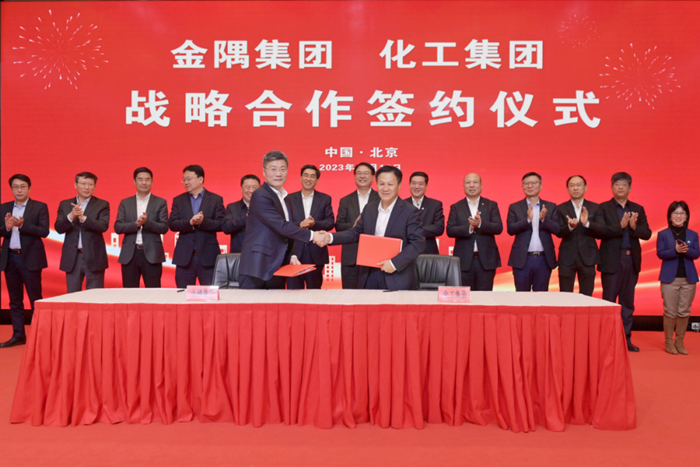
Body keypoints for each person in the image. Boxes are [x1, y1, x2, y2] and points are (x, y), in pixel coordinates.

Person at [318, 166, 425, 291]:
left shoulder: (410, 211)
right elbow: (355, 233)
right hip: (369, 274)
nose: (385, 188)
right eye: (381, 184)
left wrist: (394, 263)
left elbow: (418, 243)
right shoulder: (369, 208)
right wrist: (329, 237)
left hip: (396, 274)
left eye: (390, 184)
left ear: (399, 185)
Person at [238, 151, 326, 289]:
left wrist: (292, 255)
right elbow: (281, 226)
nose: (278, 174)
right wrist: (313, 235)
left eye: (282, 169)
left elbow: (286, 229)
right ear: (264, 171)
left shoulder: (283, 197)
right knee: (252, 303)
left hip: (277, 265)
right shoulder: (261, 195)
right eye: (273, 169)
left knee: (276, 303)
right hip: (257, 266)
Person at [599, 172, 652, 352]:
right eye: (617, 184)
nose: (620, 187)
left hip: (631, 260)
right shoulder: (603, 208)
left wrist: (634, 227)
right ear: (611, 187)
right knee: (609, 301)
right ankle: (606, 340)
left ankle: (625, 339)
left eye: (624, 184)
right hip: (612, 260)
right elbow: (600, 232)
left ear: (630, 188)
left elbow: (647, 233)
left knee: (628, 302)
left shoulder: (638, 208)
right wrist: (620, 226)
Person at [0, 175, 49, 348]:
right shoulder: (4, 207)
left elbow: (44, 231)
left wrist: (22, 225)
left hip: (30, 259)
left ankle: (40, 337)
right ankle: (18, 335)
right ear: (11, 189)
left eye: (22, 186)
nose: (19, 190)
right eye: (15, 187)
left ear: (29, 188)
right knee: (15, 300)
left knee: (35, 299)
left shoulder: (39, 207)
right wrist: (6, 228)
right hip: (10, 258)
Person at [168, 165, 225, 287]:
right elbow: (172, 224)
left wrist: (203, 222)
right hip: (184, 258)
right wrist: (190, 223)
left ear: (200, 179)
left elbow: (222, 224)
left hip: (208, 257)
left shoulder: (215, 199)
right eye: (184, 179)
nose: (186, 182)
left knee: (210, 294)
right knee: (182, 294)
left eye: (189, 179)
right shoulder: (178, 200)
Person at [114, 167, 169, 288]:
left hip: (152, 254)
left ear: (152, 181)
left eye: (147, 179)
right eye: (140, 179)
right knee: (129, 293)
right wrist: (136, 224)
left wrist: (147, 222)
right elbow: (118, 227)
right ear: (134, 182)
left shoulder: (160, 202)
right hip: (130, 254)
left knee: (154, 292)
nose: (144, 182)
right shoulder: (125, 203)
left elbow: (164, 227)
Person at [55, 172, 110, 293]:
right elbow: (58, 228)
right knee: (73, 296)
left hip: (94, 257)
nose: (86, 187)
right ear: (75, 185)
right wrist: (71, 216)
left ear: (95, 186)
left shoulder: (102, 204)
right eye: (83, 184)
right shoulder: (65, 204)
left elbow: (103, 226)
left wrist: (83, 218)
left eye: (90, 184)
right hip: (73, 258)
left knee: (95, 297)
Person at [446, 173, 503, 290]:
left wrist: (481, 224)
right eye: (468, 182)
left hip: (486, 261)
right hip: (464, 261)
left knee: (484, 297)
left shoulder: (491, 205)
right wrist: (469, 228)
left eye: (475, 182)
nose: (471, 185)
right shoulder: (456, 207)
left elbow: (498, 228)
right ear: (463, 186)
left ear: (481, 186)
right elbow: (450, 230)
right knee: (465, 297)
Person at [656, 201, 698, 355]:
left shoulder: (693, 234)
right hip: (670, 279)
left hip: (689, 279)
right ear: (670, 216)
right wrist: (675, 250)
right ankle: (668, 342)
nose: (678, 216)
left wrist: (686, 250)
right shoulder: (663, 234)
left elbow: (697, 253)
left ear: (686, 216)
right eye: (675, 213)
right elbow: (660, 253)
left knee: (684, 311)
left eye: (682, 213)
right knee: (670, 311)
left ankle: (679, 342)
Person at [507, 172, 559, 291]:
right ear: (522, 186)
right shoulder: (515, 207)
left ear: (540, 186)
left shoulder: (550, 206)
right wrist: (527, 220)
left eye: (534, 183)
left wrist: (544, 220)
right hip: (522, 259)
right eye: (527, 183)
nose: (530, 186)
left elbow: (557, 229)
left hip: (544, 259)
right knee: (521, 296)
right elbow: (511, 229)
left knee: (541, 297)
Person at [286, 165, 335, 289]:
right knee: (293, 293)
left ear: (317, 180)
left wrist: (314, 224)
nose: (308, 179)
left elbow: (330, 222)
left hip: (316, 253)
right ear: (301, 178)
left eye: (312, 176)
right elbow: (284, 224)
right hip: (294, 253)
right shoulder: (289, 199)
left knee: (315, 294)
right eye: (306, 175)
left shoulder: (325, 199)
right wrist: (300, 225)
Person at [556, 175, 604, 296]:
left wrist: (587, 223)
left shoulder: (595, 207)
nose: (575, 188)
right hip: (567, 257)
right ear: (567, 189)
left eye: (579, 185)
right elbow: (558, 231)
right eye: (572, 185)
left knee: (587, 295)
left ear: (585, 187)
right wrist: (570, 227)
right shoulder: (560, 208)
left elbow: (601, 230)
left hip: (588, 256)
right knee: (565, 295)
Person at [336, 163, 380, 289]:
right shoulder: (346, 200)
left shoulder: (381, 199)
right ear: (354, 176)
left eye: (366, 173)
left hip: (375, 257)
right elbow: (339, 225)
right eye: (359, 173)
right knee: (350, 295)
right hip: (351, 256)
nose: (362, 176)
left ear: (373, 177)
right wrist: (356, 226)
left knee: (374, 295)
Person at [405, 172, 444, 254]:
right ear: (409, 185)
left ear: (426, 186)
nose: (417, 186)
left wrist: (413, 229)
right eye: (414, 183)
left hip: (428, 252)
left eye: (420, 184)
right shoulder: (402, 205)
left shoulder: (435, 205)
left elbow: (438, 228)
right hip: (406, 251)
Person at [222, 174, 260, 254]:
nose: (251, 190)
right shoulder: (232, 207)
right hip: (239, 254)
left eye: (254, 187)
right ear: (241, 189)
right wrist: (245, 217)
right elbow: (226, 228)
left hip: (261, 255)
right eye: (247, 187)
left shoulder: (267, 207)